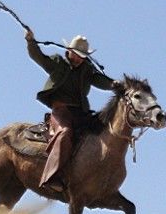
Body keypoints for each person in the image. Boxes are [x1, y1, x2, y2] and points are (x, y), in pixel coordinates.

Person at [25, 28, 117, 192]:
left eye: (82, 56)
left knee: (102, 132)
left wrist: (114, 84)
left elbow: (99, 80)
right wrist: (31, 42)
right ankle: (51, 177)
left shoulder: (87, 69)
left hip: (81, 113)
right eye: (76, 54)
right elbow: (39, 57)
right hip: (61, 110)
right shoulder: (58, 63)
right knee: (65, 132)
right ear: (68, 50)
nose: (79, 59)